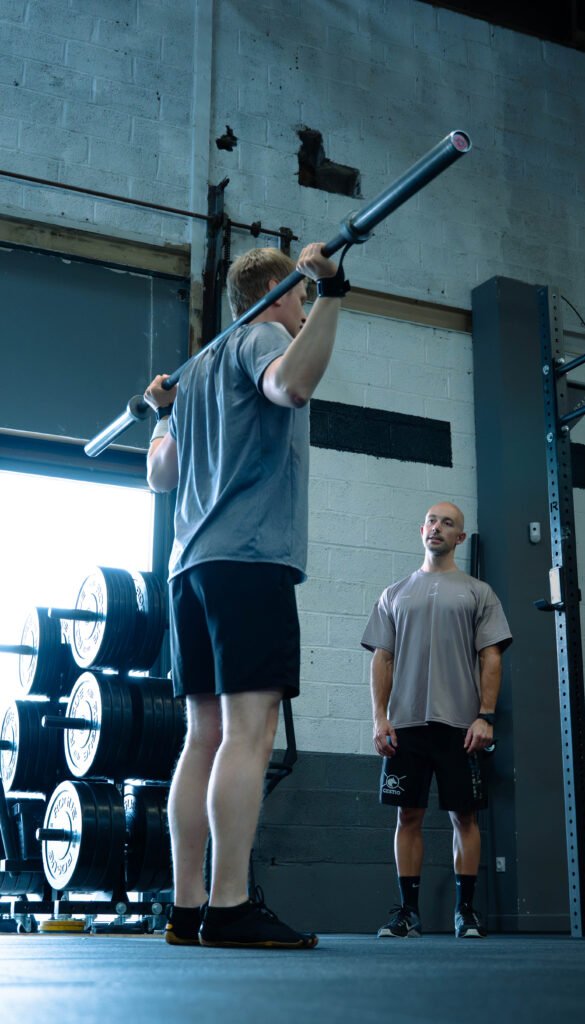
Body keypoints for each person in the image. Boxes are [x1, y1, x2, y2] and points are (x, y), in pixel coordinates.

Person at [144, 242, 348, 949]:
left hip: (190, 569)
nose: (300, 315)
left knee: (203, 735)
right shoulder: (262, 332)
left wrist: (159, 412)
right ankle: (228, 908)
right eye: (297, 299)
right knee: (248, 733)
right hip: (247, 559)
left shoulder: (195, 371)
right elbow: (290, 387)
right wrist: (334, 292)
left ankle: (186, 907)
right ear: (276, 291)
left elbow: (161, 478)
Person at [361, 501, 512, 939]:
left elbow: (491, 657)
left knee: (464, 817)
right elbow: (381, 659)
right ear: (421, 529)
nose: (437, 527)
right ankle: (407, 912)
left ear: (460, 538)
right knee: (407, 816)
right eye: (431, 520)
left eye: (448, 523)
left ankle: (466, 912)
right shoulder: (394, 593)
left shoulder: (478, 592)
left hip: (460, 724)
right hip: (406, 725)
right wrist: (379, 719)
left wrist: (485, 717)